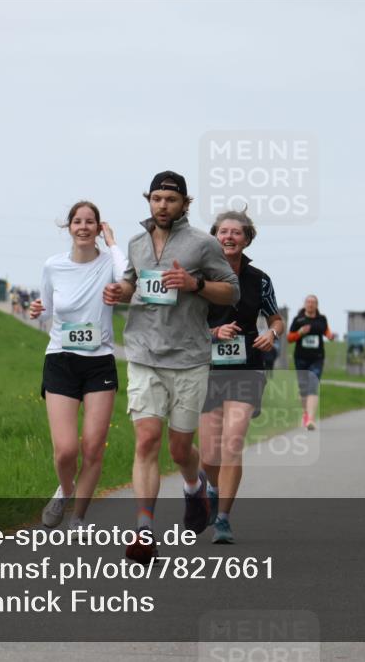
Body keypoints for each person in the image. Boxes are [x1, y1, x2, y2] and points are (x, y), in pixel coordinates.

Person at [103, 171, 239, 564]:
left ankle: (195, 485)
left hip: (189, 357)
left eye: (171, 199)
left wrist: (194, 285)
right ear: (149, 200)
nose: (162, 205)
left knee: (180, 449)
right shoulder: (136, 242)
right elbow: (132, 284)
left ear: (184, 204)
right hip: (144, 353)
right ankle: (144, 530)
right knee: (146, 440)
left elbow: (232, 289)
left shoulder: (203, 244)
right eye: (157, 198)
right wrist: (120, 292)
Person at [29, 201, 126, 533]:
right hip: (61, 360)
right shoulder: (53, 266)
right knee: (66, 451)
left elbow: (127, 276)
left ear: (99, 227)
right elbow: (46, 311)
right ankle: (65, 490)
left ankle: (80, 519)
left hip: (99, 363)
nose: (83, 227)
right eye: (77, 222)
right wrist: (36, 310)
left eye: (90, 222)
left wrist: (112, 242)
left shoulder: (107, 265)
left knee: (93, 448)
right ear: (68, 227)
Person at [199, 207, 284, 544]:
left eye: (237, 232)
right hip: (207, 369)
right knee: (209, 452)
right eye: (224, 232)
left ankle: (223, 519)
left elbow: (276, 318)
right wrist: (213, 332)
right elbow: (184, 323)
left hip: (247, 368)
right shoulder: (201, 276)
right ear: (214, 237)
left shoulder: (259, 279)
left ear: (247, 239)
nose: (230, 237)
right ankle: (211, 487)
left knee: (233, 442)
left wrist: (271, 335)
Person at [288, 295, 333, 430]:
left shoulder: (321, 319)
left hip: (317, 357)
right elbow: (289, 338)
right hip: (301, 357)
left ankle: (311, 419)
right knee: (303, 389)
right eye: (308, 302)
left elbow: (327, 332)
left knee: (313, 385)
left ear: (317, 305)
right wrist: (300, 333)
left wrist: (330, 336)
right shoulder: (298, 319)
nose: (310, 304)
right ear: (305, 304)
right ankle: (306, 414)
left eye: (313, 302)